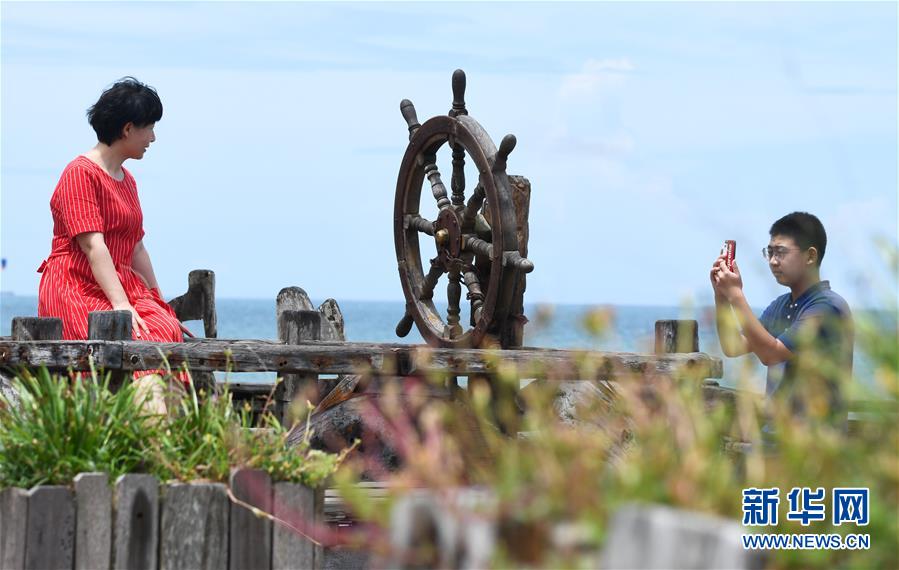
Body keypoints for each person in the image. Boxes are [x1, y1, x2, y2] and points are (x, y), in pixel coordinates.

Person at [37, 77, 191, 412]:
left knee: (165, 328)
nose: (153, 138)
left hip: (118, 284)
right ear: (127, 129)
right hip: (77, 284)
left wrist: (158, 302)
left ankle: (170, 429)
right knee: (134, 339)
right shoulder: (80, 173)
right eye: (149, 128)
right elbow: (93, 247)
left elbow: (136, 248)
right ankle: (149, 428)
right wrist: (122, 305)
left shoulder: (127, 179)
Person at [710, 212, 853, 428]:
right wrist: (721, 295)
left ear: (810, 256)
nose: (773, 261)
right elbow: (733, 346)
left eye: (781, 252)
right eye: (770, 252)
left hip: (816, 442)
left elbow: (771, 354)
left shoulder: (828, 307)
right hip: (777, 438)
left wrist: (736, 294)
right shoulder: (781, 305)